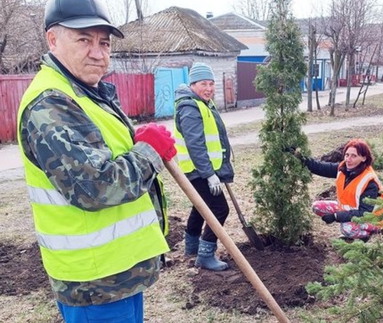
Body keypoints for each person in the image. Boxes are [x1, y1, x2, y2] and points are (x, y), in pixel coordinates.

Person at [16, 0, 177, 322]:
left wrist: (137, 141)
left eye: (104, 42)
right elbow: (96, 186)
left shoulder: (85, 92)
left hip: (118, 271)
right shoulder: (51, 104)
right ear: (52, 40)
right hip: (94, 279)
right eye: (83, 39)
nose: (98, 52)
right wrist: (148, 152)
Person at [173, 62, 234, 271]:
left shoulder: (202, 103)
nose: (208, 88)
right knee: (219, 209)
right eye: (203, 84)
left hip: (202, 169)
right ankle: (205, 255)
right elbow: (195, 144)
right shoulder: (189, 107)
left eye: (211, 83)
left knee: (200, 207)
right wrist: (209, 175)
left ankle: (191, 247)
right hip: (199, 171)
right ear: (192, 85)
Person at [295, 139, 383, 241]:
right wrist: (300, 157)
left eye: (353, 156)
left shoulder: (369, 182)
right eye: (347, 155)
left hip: (372, 218)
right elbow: (319, 167)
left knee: (347, 229)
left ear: (364, 158)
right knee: (317, 207)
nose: (348, 159)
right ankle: (354, 229)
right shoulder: (343, 169)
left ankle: (369, 232)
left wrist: (336, 216)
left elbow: (363, 213)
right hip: (349, 209)